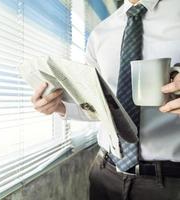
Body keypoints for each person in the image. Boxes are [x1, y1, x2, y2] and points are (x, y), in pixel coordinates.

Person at [31, 0, 180, 199]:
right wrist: (60, 107)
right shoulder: (101, 33)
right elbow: (99, 107)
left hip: (171, 182)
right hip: (105, 173)